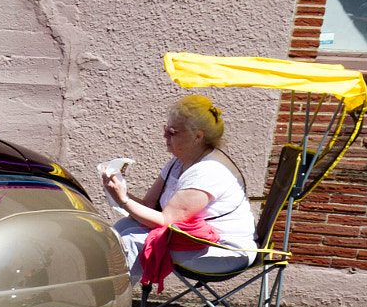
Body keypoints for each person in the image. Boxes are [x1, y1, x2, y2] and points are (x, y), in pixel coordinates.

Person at [102, 94, 256, 286]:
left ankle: (112, 301)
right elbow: (149, 206)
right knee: (123, 227)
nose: (165, 136)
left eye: (172, 131)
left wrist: (123, 199)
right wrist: (117, 190)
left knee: (134, 241)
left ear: (197, 136)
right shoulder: (178, 162)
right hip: (192, 239)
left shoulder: (209, 170)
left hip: (223, 251)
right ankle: (101, 288)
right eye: (166, 129)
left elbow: (165, 220)